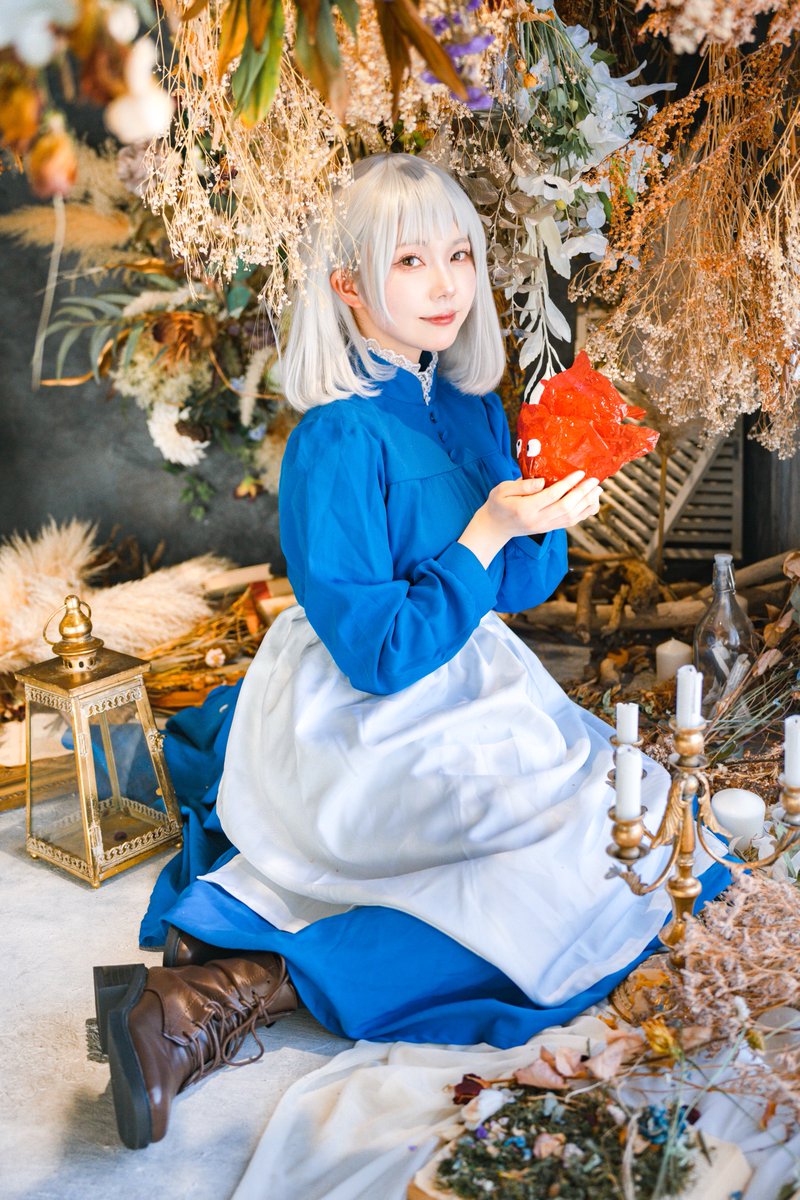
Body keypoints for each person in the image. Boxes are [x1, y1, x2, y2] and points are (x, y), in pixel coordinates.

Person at [95, 154, 728, 1150]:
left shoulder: (469, 406)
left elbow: (515, 590)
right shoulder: (336, 439)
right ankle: (222, 991)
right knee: (537, 868)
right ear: (347, 285)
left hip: (471, 674)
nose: (445, 284)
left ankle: (228, 981)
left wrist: (549, 504)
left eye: (459, 256)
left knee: (640, 836)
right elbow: (378, 653)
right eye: (410, 261)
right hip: (363, 702)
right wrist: (485, 530)